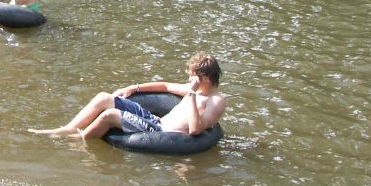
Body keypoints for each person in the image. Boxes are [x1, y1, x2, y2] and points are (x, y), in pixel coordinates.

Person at [30, 53, 226, 140]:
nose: (188, 78)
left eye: (192, 75)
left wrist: (191, 92)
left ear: (205, 78)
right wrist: (134, 87)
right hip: (155, 121)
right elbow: (165, 85)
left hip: (161, 131)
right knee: (104, 98)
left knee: (110, 115)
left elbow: (194, 130)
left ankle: (81, 141)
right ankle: (66, 129)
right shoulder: (197, 90)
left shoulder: (216, 101)